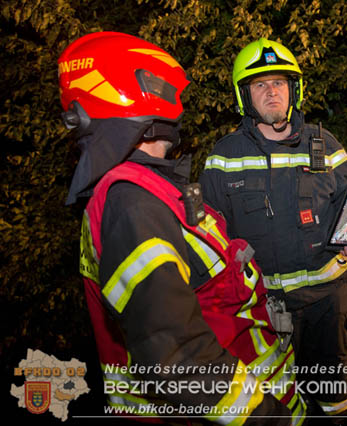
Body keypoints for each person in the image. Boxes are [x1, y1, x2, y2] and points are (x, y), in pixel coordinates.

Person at [59, 31, 306, 424]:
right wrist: (269, 418)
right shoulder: (132, 202)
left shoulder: (147, 188)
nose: (179, 102)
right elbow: (176, 358)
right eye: (166, 87)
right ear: (141, 92)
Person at [199, 38, 347, 419]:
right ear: (244, 96)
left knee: (337, 404)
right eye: (260, 85)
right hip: (261, 311)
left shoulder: (324, 144)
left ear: (294, 90)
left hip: (328, 303)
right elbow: (210, 240)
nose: (271, 91)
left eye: (278, 82)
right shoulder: (222, 158)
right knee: (277, 410)